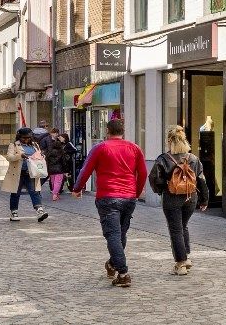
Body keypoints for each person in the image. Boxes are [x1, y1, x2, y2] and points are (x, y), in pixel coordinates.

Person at [72, 118, 147, 288]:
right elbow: (142, 173)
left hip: (108, 196)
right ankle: (113, 264)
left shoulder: (100, 148)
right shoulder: (134, 148)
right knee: (120, 234)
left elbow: (86, 169)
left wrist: (77, 188)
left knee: (113, 234)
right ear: (123, 132)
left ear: (107, 131)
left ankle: (123, 273)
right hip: (128, 197)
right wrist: (136, 192)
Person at [148, 125, 207, 277]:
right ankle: (186, 256)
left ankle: (181, 262)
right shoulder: (193, 158)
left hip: (172, 197)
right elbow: (201, 180)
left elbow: (154, 179)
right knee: (183, 226)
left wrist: (161, 190)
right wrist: (204, 200)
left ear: (169, 141)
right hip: (190, 196)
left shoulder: (164, 159)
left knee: (175, 229)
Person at [1, 126, 49, 223]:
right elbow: (9, 157)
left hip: (31, 172)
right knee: (15, 192)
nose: (26, 140)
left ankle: (39, 211)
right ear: (19, 137)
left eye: (28, 138)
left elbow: (38, 155)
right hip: (18, 173)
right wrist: (20, 156)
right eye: (24, 138)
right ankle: (14, 212)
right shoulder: (14, 145)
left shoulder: (35, 145)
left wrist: (42, 156)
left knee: (34, 192)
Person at [46, 133, 75, 201]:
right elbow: (64, 162)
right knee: (58, 182)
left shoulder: (49, 152)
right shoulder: (61, 152)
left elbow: (47, 160)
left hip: (51, 169)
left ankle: (56, 193)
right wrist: (66, 170)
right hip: (59, 169)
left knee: (53, 181)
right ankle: (55, 194)